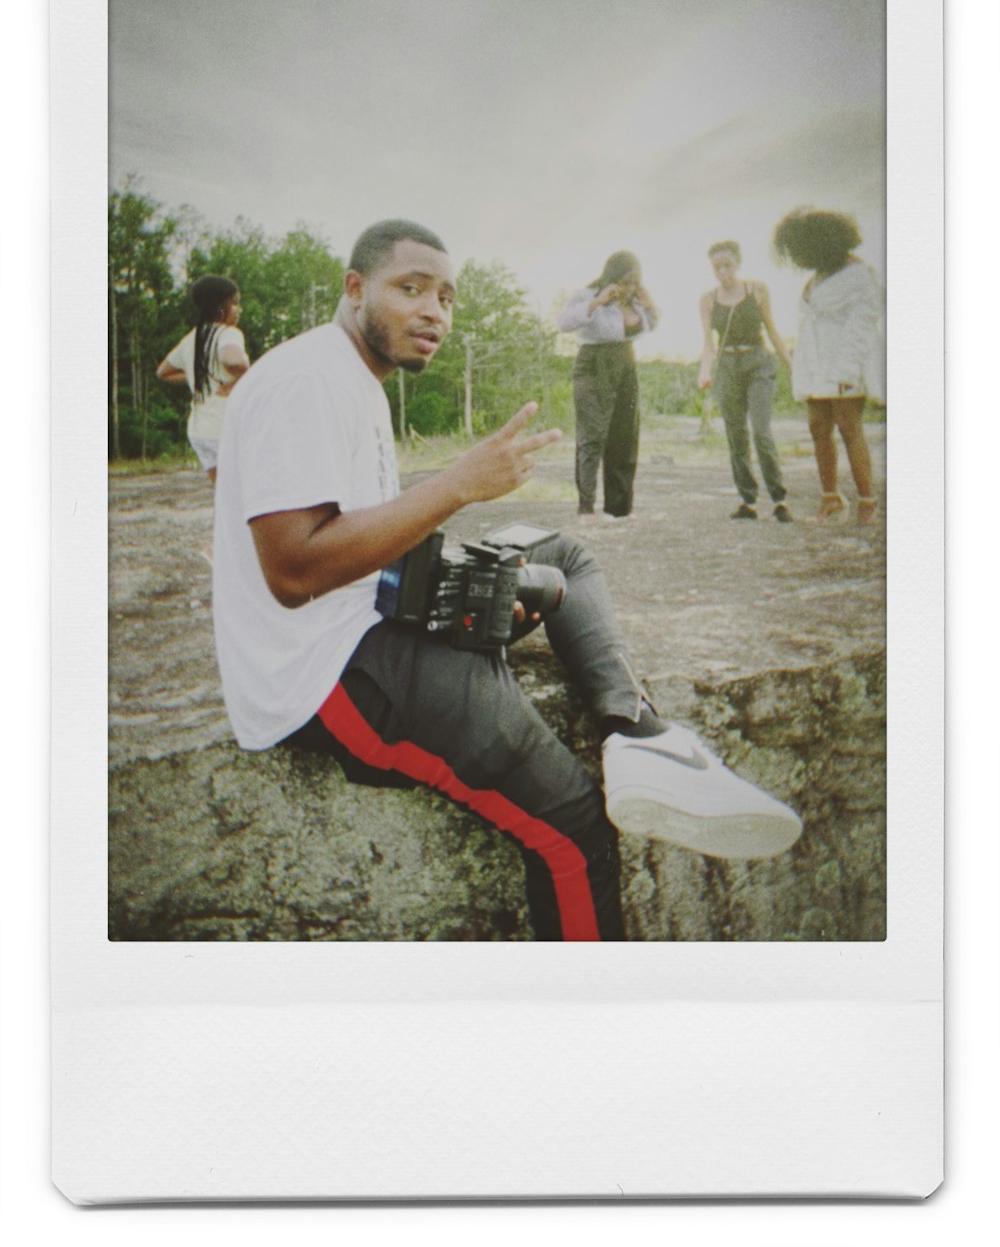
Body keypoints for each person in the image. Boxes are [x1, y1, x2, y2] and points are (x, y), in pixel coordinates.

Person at [211, 220, 801, 943]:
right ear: (355, 288)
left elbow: (358, 530)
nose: (435, 311)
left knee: (561, 555)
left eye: (448, 298)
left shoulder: (354, 377)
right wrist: (457, 485)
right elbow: (294, 570)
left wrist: (455, 569)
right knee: (575, 827)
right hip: (329, 673)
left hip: (373, 609)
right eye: (411, 289)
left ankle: (640, 737)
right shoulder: (307, 378)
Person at [773, 208, 885, 526]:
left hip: (845, 361)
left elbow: (863, 323)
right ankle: (831, 498)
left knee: (850, 428)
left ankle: (867, 503)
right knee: (818, 428)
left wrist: (847, 369)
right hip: (815, 364)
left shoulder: (859, 275)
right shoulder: (819, 275)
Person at [557, 252, 659, 526]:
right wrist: (598, 302)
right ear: (612, 277)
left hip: (625, 362)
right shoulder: (587, 294)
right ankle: (586, 507)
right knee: (592, 436)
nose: (629, 288)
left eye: (635, 282)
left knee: (624, 436)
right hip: (593, 363)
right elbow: (563, 323)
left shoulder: (636, 301)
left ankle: (619, 508)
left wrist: (649, 306)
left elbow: (651, 326)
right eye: (625, 282)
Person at [698, 241, 793, 522]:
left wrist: (792, 367)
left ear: (738, 263)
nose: (723, 271)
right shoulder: (707, 299)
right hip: (727, 365)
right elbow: (707, 343)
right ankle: (748, 501)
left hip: (758, 362)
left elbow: (773, 331)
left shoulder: (757, 290)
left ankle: (779, 500)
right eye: (717, 267)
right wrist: (704, 371)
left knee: (761, 431)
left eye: (727, 265)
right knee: (735, 434)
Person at [156, 275, 250, 486]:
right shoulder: (229, 333)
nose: (239, 309)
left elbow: (163, 372)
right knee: (248, 491)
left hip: (200, 432)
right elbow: (232, 359)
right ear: (220, 306)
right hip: (224, 427)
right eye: (235, 303)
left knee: (224, 494)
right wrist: (245, 373)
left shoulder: (191, 338)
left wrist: (196, 374)